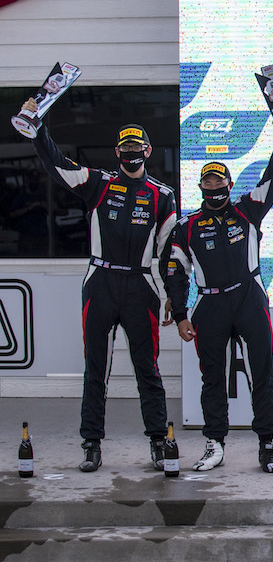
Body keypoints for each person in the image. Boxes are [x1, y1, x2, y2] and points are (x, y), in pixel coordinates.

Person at [23, 100, 177, 472]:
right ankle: (91, 444)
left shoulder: (163, 195)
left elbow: (171, 254)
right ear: (117, 152)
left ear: (148, 150)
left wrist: (175, 295)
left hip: (140, 284)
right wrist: (38, 128)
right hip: (101, 281)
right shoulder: (98, 183)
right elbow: (57, 164)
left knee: (148, 369)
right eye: (125, 149)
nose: (131, 154)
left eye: (136, 148)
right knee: (96, 368)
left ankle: (158, 441)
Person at [165, 119, 273, 474]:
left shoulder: (247, 209)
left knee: (262, 374)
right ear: (200, 187)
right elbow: (176, 274)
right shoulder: (187, 225)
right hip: (209, 304)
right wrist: (180, 315)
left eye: (219, 181)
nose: (213, 187)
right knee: (212, 377)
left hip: (249, 298)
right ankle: (214, 444)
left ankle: (267, 444)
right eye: (207, 182)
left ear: (229, 184)